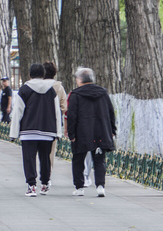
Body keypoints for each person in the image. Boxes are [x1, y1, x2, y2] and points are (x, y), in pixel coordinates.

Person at [9, 63, 62, 197]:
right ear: (43, 75)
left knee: (29, 158)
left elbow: (17, 112)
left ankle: (32, 186)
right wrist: (58, 132)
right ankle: (44, 184)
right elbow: (57, 112)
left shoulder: (24, 90)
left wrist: (13, 133)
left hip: (28, 131)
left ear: (29, 74)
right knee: (45, 158)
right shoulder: (51, 91)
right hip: (47, 131)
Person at [66, 67, 117, 198]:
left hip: (82, 132)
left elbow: (72, 115)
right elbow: (111, 112)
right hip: (101, 131)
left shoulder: (75, 95)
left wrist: (71, 133)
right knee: (99, 159)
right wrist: (112, 130)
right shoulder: (103, 93)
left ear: (80, 80)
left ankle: (79, 187)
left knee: (78, 159)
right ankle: (100, 186)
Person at [43, 61, 68, 170]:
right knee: (51, 151)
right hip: (53, 123)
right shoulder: (59, 87)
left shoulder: (38, 85)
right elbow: (64, 106)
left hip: (38, 122)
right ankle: (47, 175)